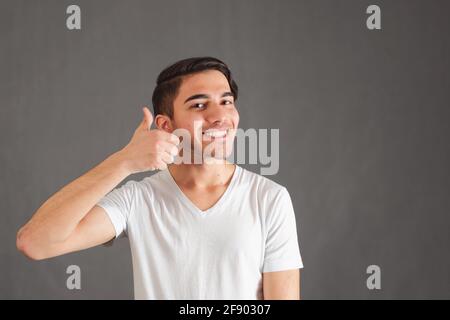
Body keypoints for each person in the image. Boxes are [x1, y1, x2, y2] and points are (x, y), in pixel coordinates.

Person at [16, 57, 303, 299]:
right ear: (166, 125)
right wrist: (123, 162)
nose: (219, 116)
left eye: (226, 101)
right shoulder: (137, 200)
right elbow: (35, 243)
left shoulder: (268, 198)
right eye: (199, 106)